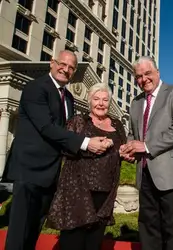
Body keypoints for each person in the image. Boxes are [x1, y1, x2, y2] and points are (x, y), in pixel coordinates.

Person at [4, 50, 111, 250]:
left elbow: (66, 132)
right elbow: (47, 127)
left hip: (51, 174)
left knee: (34, 228)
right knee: (19, 232)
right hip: (30, 171)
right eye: (62, 64)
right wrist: (87, 143)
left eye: (71, 67)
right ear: (52, 63)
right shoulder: (36, 88)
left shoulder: (68, 97)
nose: (66, 69)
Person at [119, 56, 173, 250]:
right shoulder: (135, 102)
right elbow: (133, 134)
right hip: (144, 175)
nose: (144, 79)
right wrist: (129, 149)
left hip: (171, 175)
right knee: (148, 230)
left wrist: (146, 146)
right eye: (139, 76)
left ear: (158, 72)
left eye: (147, 73)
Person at [46, 83, 127, 250]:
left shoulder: (117, 125)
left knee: (94, 243)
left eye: (105, 100)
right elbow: (65, 148)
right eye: (96, 99)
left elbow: (121, 151)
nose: (101, 103)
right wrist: (89, 145)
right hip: (78, 192)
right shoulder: (78, 121)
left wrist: (125, 152)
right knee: (73, 242)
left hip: (105, 193)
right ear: (89, 101)